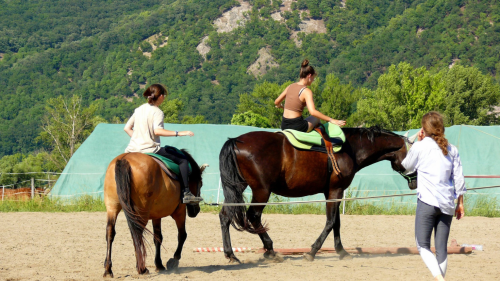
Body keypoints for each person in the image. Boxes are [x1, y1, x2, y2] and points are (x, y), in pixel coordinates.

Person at [401, 111, 466, 281]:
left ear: (424, 128)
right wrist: (460, 203)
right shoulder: (452, 149)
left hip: (427, 203)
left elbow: (406, 166)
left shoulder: (421, 146)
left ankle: (441, 280)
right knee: (441, 249)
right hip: (447, 204)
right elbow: (459, 178)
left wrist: (414, 144)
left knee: (422, 245)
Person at [124, 84, 202, 204]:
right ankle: (186, 192)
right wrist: (179, 133)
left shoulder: (139, 109)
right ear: (160, 96)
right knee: (183, 160)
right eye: (164, 95)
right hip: (149, 149)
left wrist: (138, 138)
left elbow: (127, 128)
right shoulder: (157, 112)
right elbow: (157, 131)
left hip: (132, 149)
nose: (164, 98)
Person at [274, 59, 346, 132]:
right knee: (316, 118)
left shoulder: (290, 86)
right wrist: (331, 120)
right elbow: (313, 112)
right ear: (309, 76)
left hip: (284, 125)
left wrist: (281, 106)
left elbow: (276, 102)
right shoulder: (306, 91)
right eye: (313, 78)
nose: (313, 81)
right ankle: (321, 141)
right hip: (297, 126)